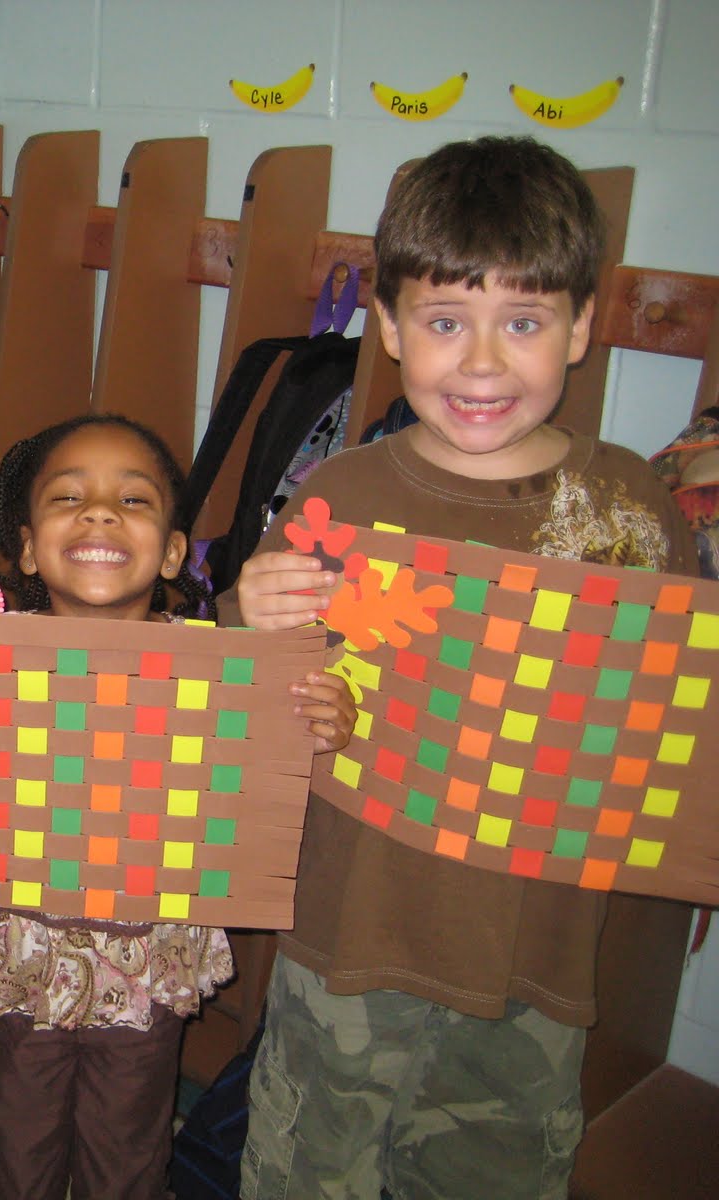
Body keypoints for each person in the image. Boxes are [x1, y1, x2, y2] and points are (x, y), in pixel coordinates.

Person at [227, 136, 699, 1200]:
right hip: (347, 944)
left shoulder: (628, 512)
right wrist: (252, 620)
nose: (482, 364)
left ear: (581, 325)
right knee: (308, 1174)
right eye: (444, 322)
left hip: (536, 962)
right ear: (391, 328)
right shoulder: (339, 495)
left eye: (523, 322)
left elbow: (667, 724)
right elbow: (254, 714)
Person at [0, 413, 355, 1200]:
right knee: (16, 1141)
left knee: (126, 1148)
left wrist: (321, 733)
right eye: (69, 497)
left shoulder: (218, 670)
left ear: (172, 551)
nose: (99, 514)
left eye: (133, 500)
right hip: (24, 947)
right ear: (29, 548)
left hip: (146, 953)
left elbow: (262, 780)